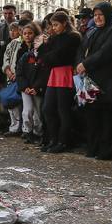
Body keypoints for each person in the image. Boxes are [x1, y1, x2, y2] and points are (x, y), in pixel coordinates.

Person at [77, 2, 112, 160]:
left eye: (100, 15)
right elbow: (82, 49)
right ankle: (93, 147)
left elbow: (107, 51)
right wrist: (80, 64)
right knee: (91, 114)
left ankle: (106, 150)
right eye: (95, 15)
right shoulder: (93, 31)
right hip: (89, 79)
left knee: (106, 116)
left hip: (107, 79)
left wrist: (85, 64)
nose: (97, 18)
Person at [39, 12, 82, 152]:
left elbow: (60, 57)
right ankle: (53, 139)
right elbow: (43, 57)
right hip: (54, 74)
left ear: (64, 23)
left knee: (63, 110)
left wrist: (48, 56)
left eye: (56, 25)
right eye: (52, 25)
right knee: (48, 108)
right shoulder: (54, 38)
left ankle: (63, 141)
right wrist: (48, 54)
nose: (54, 28)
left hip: (65, 73)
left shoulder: (73, 37)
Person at [15, 21, 45, 143]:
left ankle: (38, 132)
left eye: (30, 33)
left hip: (37, 88)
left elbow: (43, 73)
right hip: (26, 87)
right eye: (25, 33)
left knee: (38, 112)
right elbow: (19, 71)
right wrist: (24, 86)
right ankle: (28, 131)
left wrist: (37, 87)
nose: (27, 36)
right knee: (27, 111)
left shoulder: (42, 54)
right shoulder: (24, 54)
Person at [1, 21, 24, 135]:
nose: (12, 32)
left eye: (14, 30)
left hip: (19, 76)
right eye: (10, 30)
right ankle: (14, 126)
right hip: (10, 76)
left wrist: (16, 73)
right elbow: (6, 58)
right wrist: (7, 70)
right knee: (12, 102)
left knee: (21, 104)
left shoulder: (21, 43)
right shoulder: (11, 44)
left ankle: (22, 127)